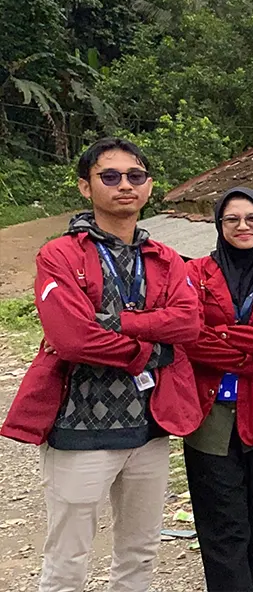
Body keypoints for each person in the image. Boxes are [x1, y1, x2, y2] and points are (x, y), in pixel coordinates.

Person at [1, 138, 202, 592]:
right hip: (79, 427)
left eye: (135, 176)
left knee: (140, 551)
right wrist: (148, 349)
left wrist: (117, 322)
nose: (124, 185)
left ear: (149, 186)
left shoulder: (165, 258)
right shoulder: (61, 255)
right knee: (68, 556)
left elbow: (188, 322)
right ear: (85, 188)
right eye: (109, 176)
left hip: (149, 426)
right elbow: (71, 338)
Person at [180, 187, 253, 591]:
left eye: (252, 218)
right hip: (208, 414)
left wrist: (225, 337)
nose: (243, 226)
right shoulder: (194, 273)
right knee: (222, 522)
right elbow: (191, 334)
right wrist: (249, 348)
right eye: (233, 219)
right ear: (219, 225)